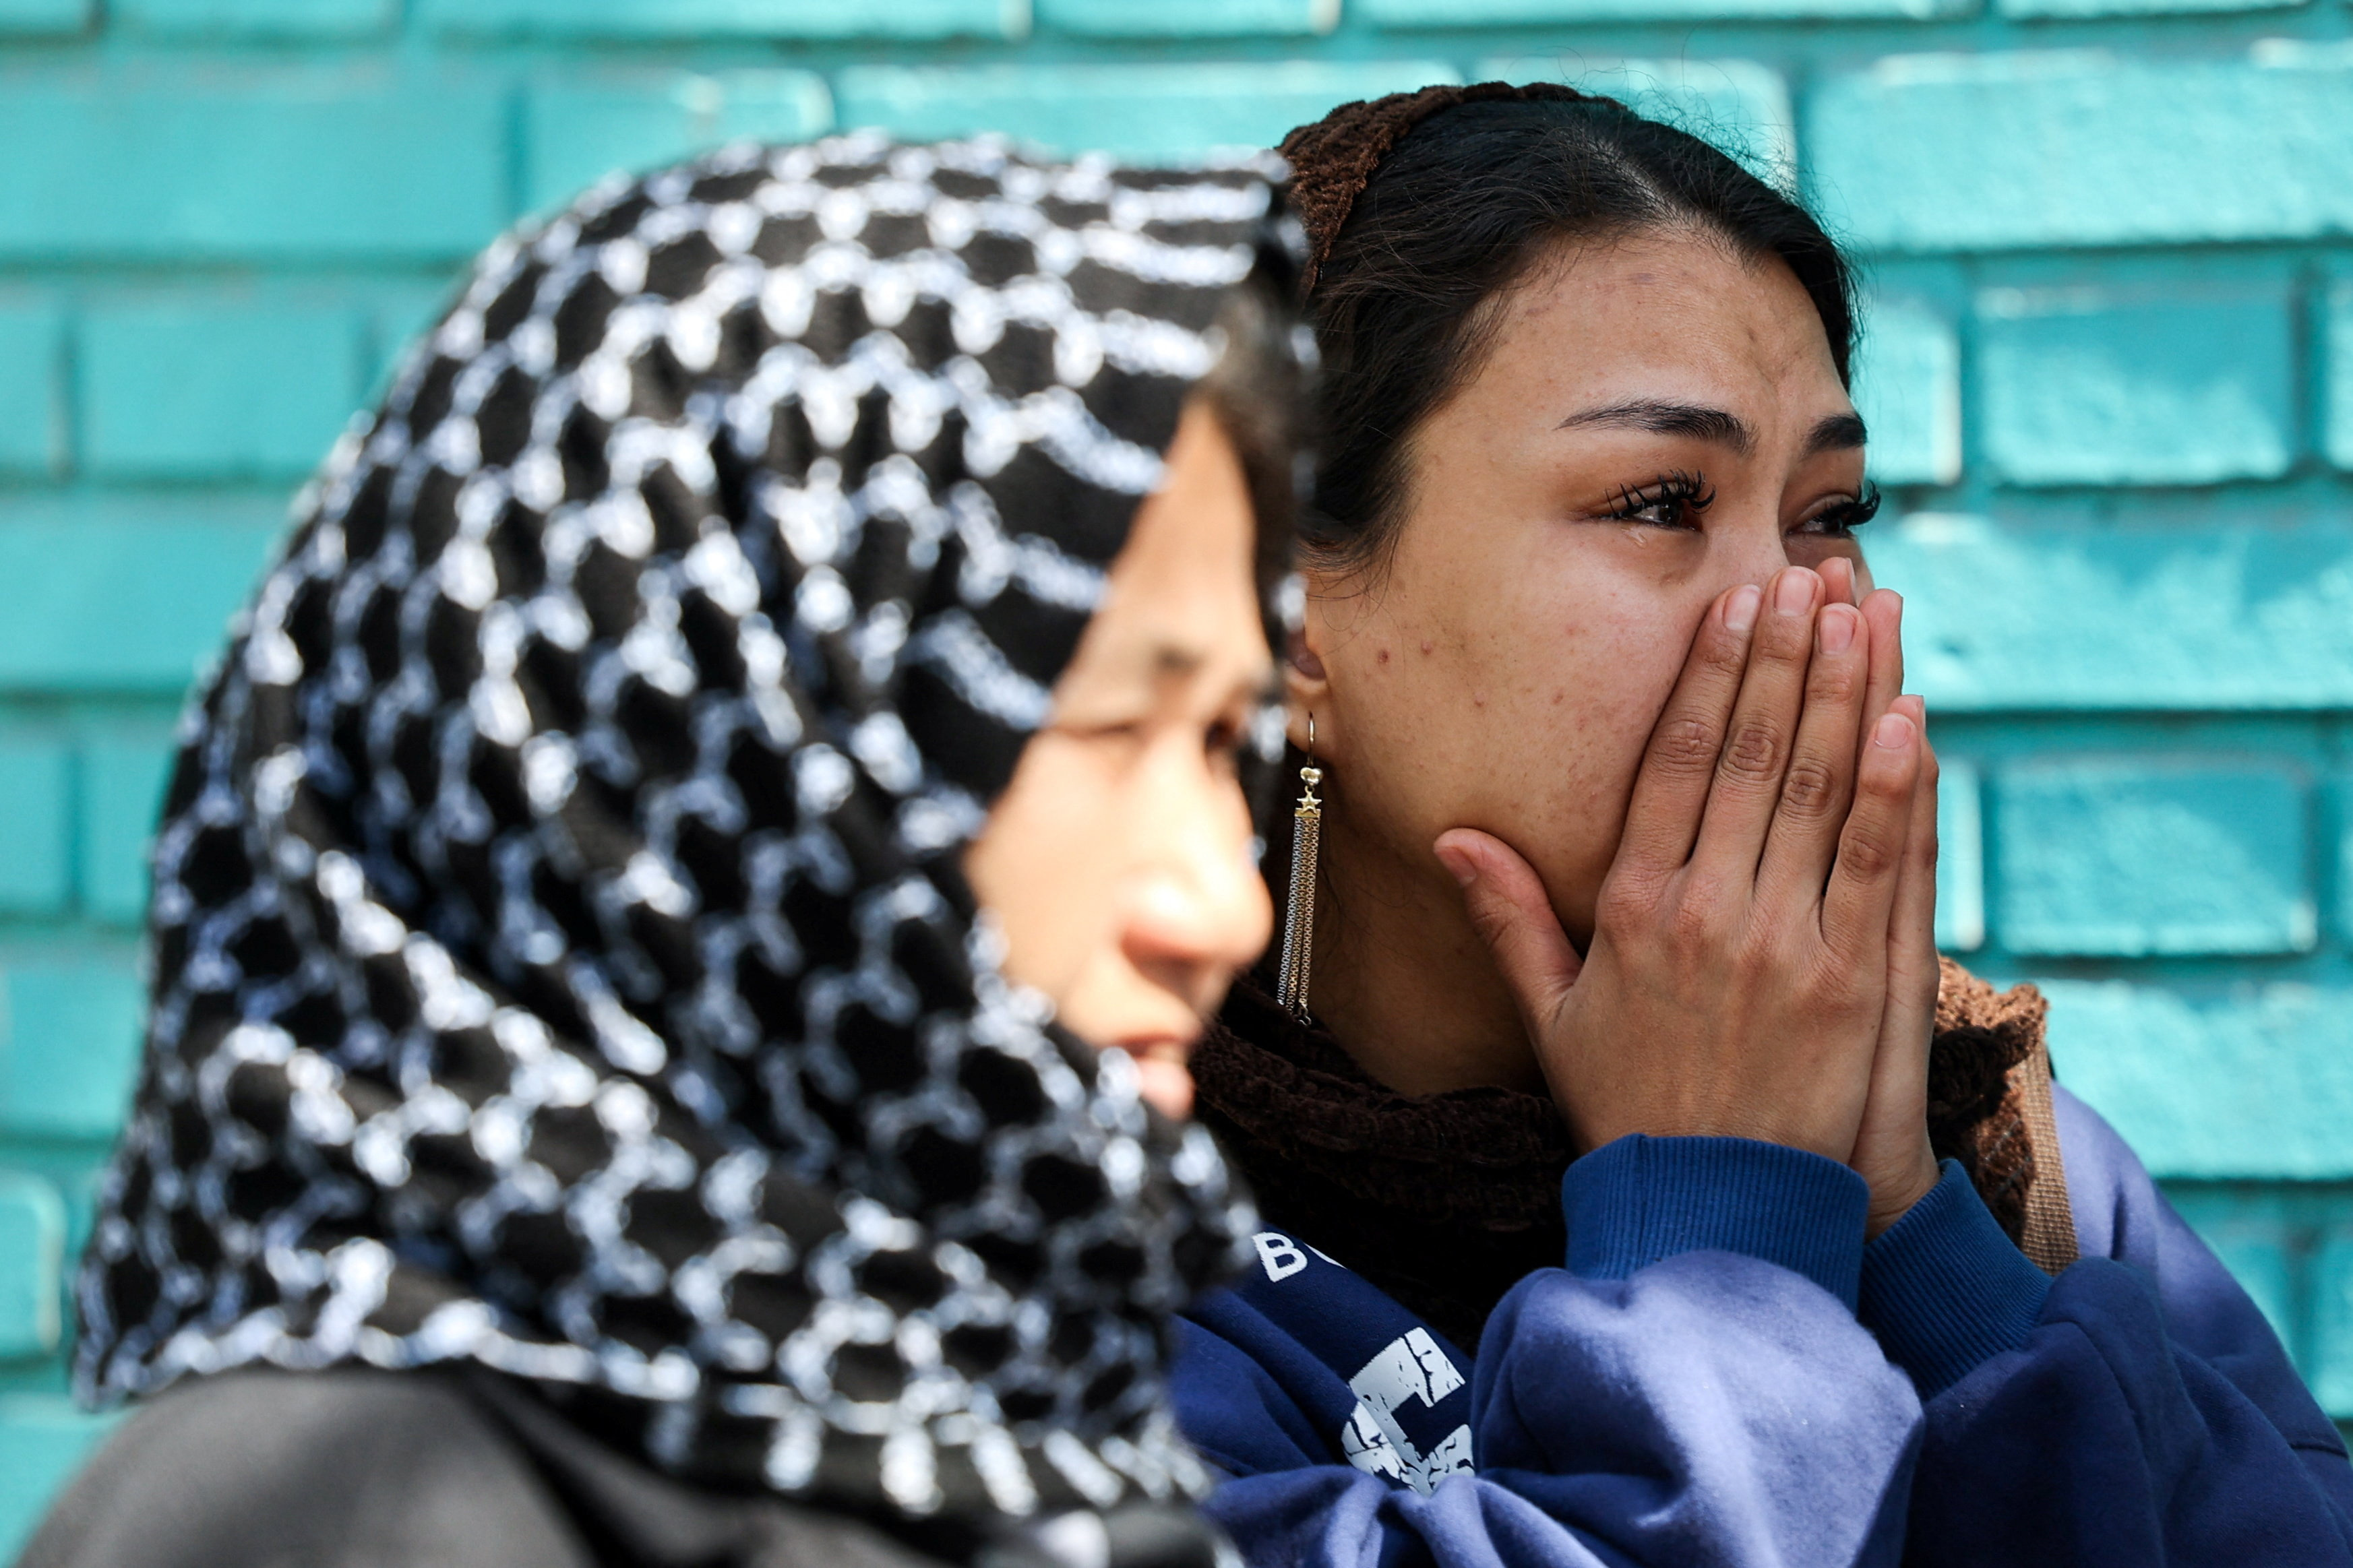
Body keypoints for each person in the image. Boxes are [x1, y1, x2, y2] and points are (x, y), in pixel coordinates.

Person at [22, 133, 1306, 1568]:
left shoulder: (1012, 1436)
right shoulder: (354, 1514)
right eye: (1108, 730)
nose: (1221, 908)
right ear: (694, 760)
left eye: (1223, 745)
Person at [1169, 83, 2353, 1567]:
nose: (1792, 609)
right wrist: (1720, 1216)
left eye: (1830, 515)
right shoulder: (1045, 1227)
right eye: (1662, 500)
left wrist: (1915, 1237)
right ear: (1284, 614)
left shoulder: (2005, 1149)